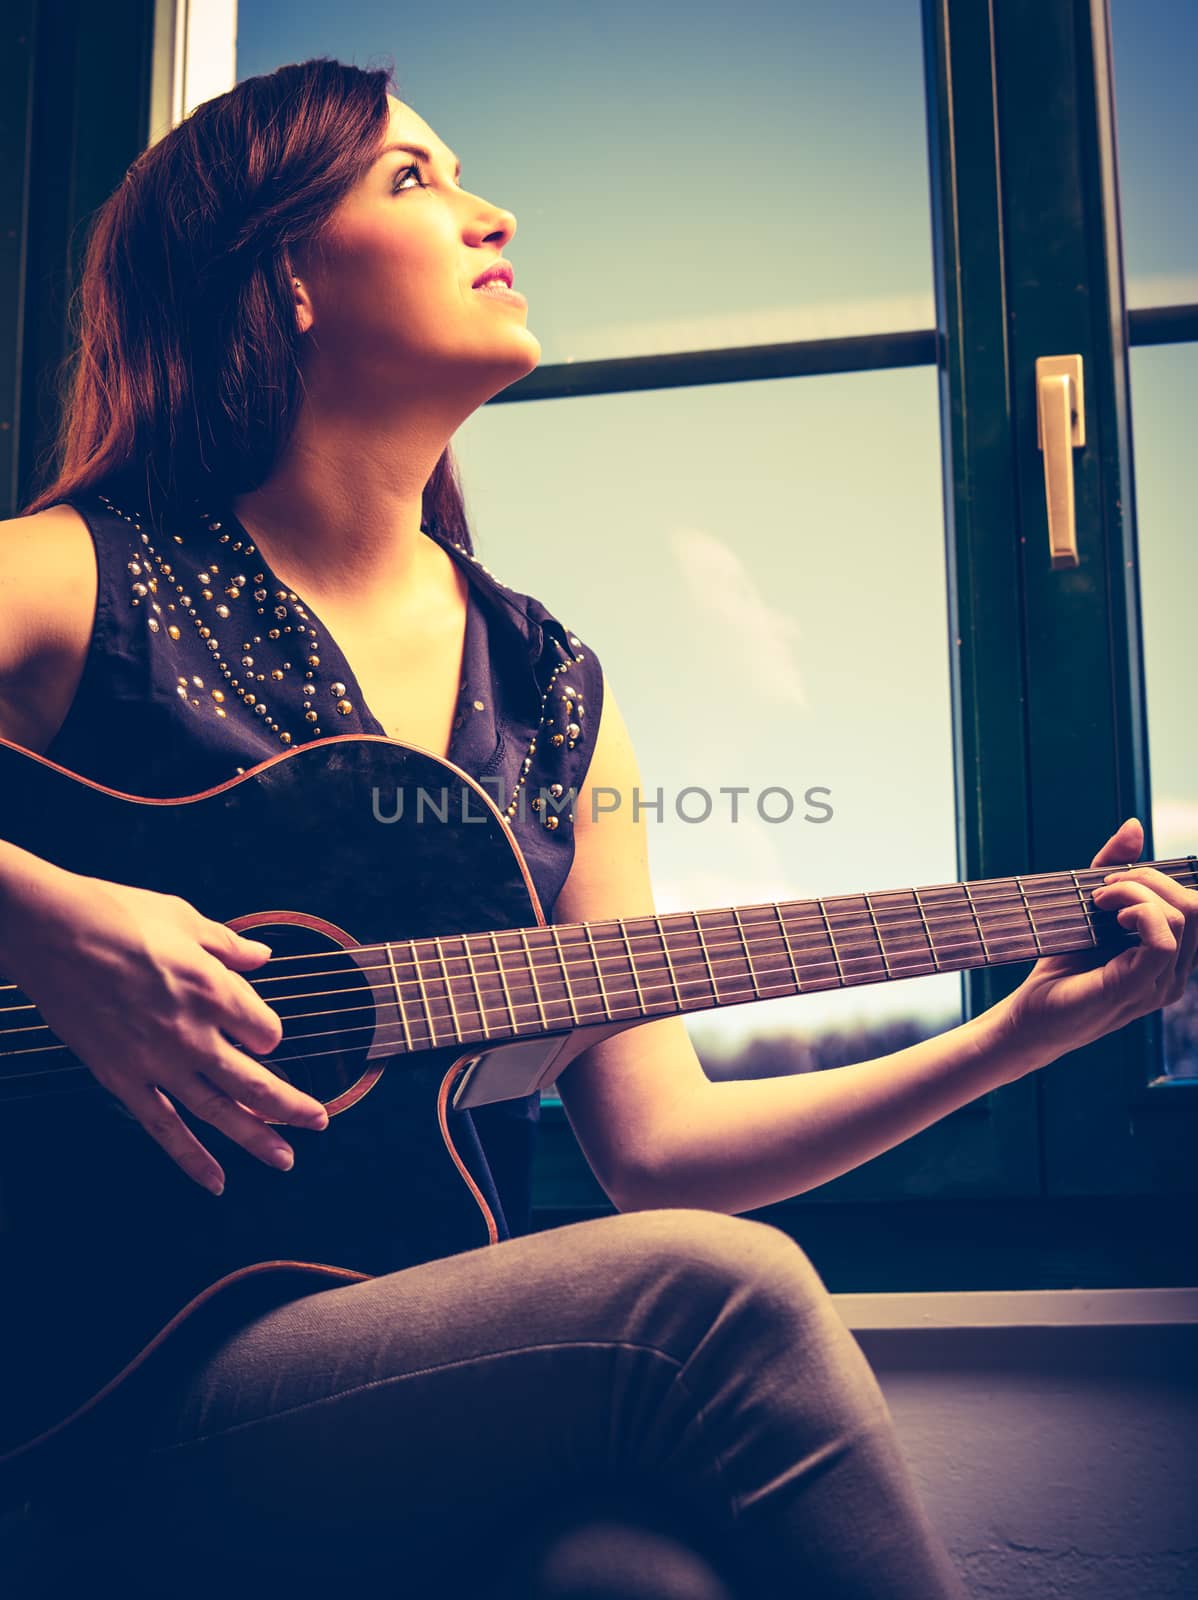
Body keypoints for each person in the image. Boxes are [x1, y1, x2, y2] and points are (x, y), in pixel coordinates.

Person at [0, 56, 1192, 1600]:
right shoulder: (84, 575)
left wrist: (1012, 1044)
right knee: (714, 1295)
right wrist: (42, 916)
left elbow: (661, 1150)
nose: (494, 214)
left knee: (642, 1583)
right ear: (283, 274)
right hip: (88, 1392)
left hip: (380, 1370)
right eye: (413, 179)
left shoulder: (552, 686)